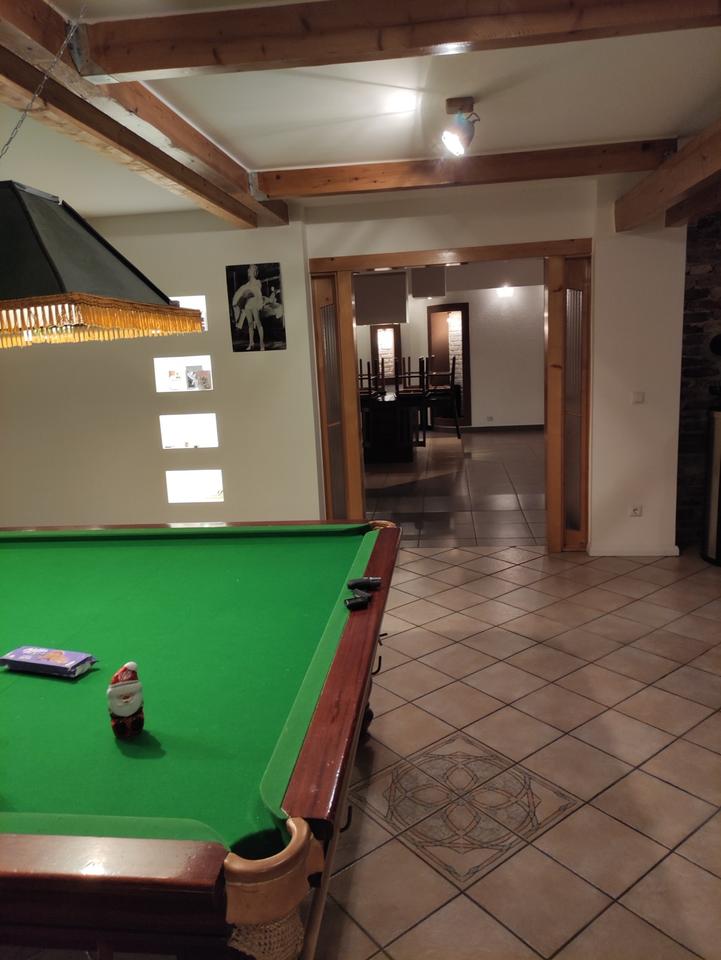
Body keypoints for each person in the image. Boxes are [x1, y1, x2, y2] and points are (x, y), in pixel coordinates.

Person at [232, 264, 265, 351]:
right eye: (248, 270)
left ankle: (262, 343)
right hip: (247, 305)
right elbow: (242, 294)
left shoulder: (257, 282)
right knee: (250, 323)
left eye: (250, 270)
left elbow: (258, 292)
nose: (248, 271)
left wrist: (250, 293)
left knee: (258, 322)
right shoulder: (246, 284)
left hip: (254, 303)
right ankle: (251, 343)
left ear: (254, 272)